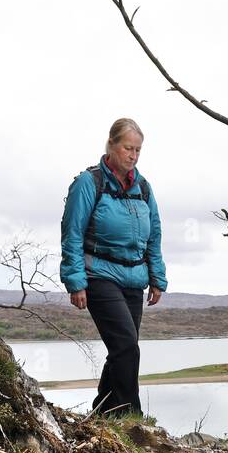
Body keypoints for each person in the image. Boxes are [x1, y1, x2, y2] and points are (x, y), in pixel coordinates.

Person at [60, 118, 167, 417]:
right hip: (99, 275)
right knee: (127, 347)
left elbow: (154, 235)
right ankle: (133, 417)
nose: (132, 155)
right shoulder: (89, 182)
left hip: (134, 278)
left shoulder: (143, 188)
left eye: (138, 150)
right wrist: (76, 281)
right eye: (127, 148)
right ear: (111, 145)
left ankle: (104, 415)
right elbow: (72, 232)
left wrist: (156, 277)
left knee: (122, 349)